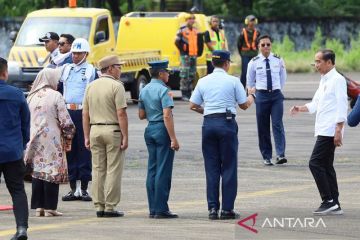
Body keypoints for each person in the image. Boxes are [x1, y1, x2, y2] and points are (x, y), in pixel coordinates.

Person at [189, 50, 256, 220]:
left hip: (209, 123)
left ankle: (212, 208)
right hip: (226, 124)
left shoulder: (203, 81)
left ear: (213, 63)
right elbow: (244, 105)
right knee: (228, 167)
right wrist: (252, 95)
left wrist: (208, 111)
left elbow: (192, 105)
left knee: (211, 168)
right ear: (226, 64)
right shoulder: (233, 81)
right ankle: (227, 209)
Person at [290, 49, 347, 215]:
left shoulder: (337, 80)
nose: (316, 65)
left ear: (329, 62)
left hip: (330, 130)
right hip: (324, 128)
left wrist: (338, 129)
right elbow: (315, 103)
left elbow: (342, 105)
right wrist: (300, 108)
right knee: (326, 165)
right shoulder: (324, 80)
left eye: (318, 62)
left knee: (314, 163)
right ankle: (334, 202)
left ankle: (328, 200)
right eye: (315, 62)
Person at [24, 68, 75, 217]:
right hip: (51, 140)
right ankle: (50, 208)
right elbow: (65, 121)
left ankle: (39, 207)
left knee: (37, 171)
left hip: (34, 139)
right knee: (51, 171)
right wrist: (69, 136)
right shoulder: (56, 96)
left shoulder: (31, 97)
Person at [82, 55, 128, 218]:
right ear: (110, 68)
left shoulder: (91, 86)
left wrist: (86, 135)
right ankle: (110, 207)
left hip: (95, 130)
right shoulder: (117, 86)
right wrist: (125, 136)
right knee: (114, 169)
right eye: (118, 67)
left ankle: (99, 205)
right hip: (112, 130)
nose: (120, 70)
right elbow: (121, 113)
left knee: (98, 169)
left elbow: (85, 113)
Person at [138, 60, 180, 219]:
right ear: (161, 73)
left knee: (153, 169)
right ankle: (161, 208)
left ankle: (153, 208)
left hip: (150, 129)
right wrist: (173, 138)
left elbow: (141, 115)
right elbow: (167, 115)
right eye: (167, 72)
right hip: (162, 130)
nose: (168, 74)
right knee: (163, 170)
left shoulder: (145, 89)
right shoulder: (164, 90)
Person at [60, 38, 98, 202]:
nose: (75, 56)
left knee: (84, 148)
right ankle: (72, 188)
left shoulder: (91, 70)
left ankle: (83, 188)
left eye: (78, 53)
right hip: (67, 111)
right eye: (74, 53)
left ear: (86, 54)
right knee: (69, 149)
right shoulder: (66, 69)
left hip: (83, 111)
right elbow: (60, 89)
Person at [0, 57, 30, 240]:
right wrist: (22, 143)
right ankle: (21, 229)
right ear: (5, 73)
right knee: (17, 190)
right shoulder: (17, 94)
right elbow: (25, 124)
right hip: (12, 151)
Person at [247, 34, 287, 166]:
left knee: (277, 124)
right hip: (262, 96)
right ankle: (267, 156)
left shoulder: (278, 60)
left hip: (276, 96)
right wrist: (252, 93)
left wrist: (277, 89)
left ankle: (280, 154)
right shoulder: (253, 62)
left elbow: (282, 78)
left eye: (268, 44)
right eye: (263, 45)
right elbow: (250, 82)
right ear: (258, 46)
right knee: (263, 127)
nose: (266, 47)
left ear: (271, 45)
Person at [175, 13, 201, 101]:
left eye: (193, 19)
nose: (192, 20)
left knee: (192, 74)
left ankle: (190, 93)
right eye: (190, 19)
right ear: (186, 20)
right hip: (185, 56)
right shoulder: (182, 29)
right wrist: (183, 50)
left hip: (193, 55)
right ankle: (184, 93)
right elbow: (176, 41)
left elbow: (199, 42)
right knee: (184, 74)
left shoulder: (195, 30)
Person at [237, 15, 260, 88]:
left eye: (253, 20)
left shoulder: (257, 32)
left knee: (255, 72)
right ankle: (241, 88)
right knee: (244, 72)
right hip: (245, 54)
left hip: (254, 54)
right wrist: (241, 54)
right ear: (247, 22)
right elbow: (239, 44)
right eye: (251, 20)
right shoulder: (243, 32)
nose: (252, 22)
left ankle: (254, 88)